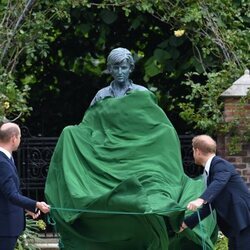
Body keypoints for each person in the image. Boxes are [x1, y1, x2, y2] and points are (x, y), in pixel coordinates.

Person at [179, 134, 250, 250]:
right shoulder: (211, 170)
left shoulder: (219, 164)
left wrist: (200, 199)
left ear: (197, 151)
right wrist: (185, 224)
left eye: (193, 150)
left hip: (244, 221)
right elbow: (209, 207)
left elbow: (220, 181)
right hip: (237, 225)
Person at [0, 122, 50, 250]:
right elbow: (11, 194)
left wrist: (26, 207)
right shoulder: (2, 162)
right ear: (14, 138)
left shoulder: (6, 158)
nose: (20, 140)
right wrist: (36, 204)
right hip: (5, 228)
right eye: (20, 137)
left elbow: (6, 192)